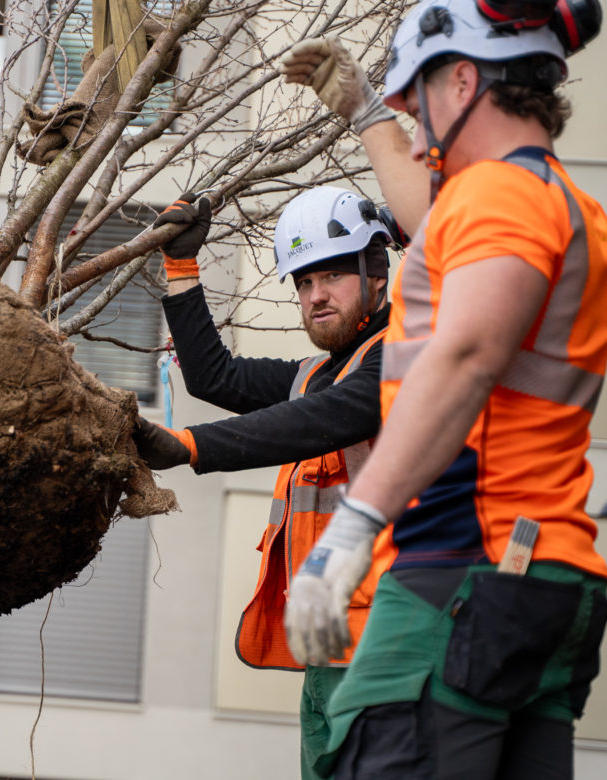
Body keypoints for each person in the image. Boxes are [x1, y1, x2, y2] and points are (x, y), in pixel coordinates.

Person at [279, 1, 607, 777]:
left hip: (463, 567)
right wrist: (366, 114)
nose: (413, 126)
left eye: (418, 98)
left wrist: (351, 528)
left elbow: (465, 354)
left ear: (464, 81)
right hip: (541, 577)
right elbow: (440, 230)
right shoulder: (562, 203)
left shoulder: (501, 194)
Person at [133, 186, 403, 779]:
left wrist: (190, 445)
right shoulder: (315, 375)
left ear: (377, 272)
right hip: (331, 651)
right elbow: (214, 376)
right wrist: (181, 267)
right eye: (304, 282)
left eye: (332, 275)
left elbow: (319, 421)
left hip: (390, 651)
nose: (316, 295)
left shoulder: (406, 358)